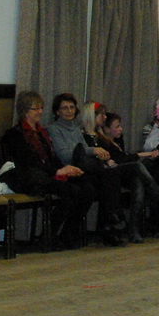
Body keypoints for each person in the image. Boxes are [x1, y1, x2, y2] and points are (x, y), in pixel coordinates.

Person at [0, 91, 97, 248]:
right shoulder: (15, 134)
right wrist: (56, 172)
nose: (39, 112)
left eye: (40, 108)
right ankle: (48, 235)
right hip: (29, 178)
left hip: (45, 174)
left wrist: (66, 169)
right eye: (35, 109)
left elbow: (51, 158)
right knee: (70, 191)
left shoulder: (41, 132)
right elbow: (28, 163)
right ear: (24, 111)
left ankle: (68, 233)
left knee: (88, 189)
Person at [47, 92, 126, 245]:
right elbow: (65, 155)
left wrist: (91, 151)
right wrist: (93, 150)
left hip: (82, 170)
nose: (69, 111)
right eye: (64, 108)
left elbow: (82, 150)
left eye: (71, 107)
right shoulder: (54, 129)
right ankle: (111, 224)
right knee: (104, 180)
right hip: (67, 170)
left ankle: (107, 225)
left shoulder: (75, 128)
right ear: (57, 111)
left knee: (105, 180)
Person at [96, 111, 159, 241]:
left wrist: (155, 151)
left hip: (129, 175)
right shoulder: (104, 143)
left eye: (120, 126)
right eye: (117, 126)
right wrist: (143, 154)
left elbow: (127, 157)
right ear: (107, 129)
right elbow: (121, 161)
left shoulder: (118, 141)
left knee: (140, 181)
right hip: (116, 177)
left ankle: (135, 230)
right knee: (139, 167)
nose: (121, 129)